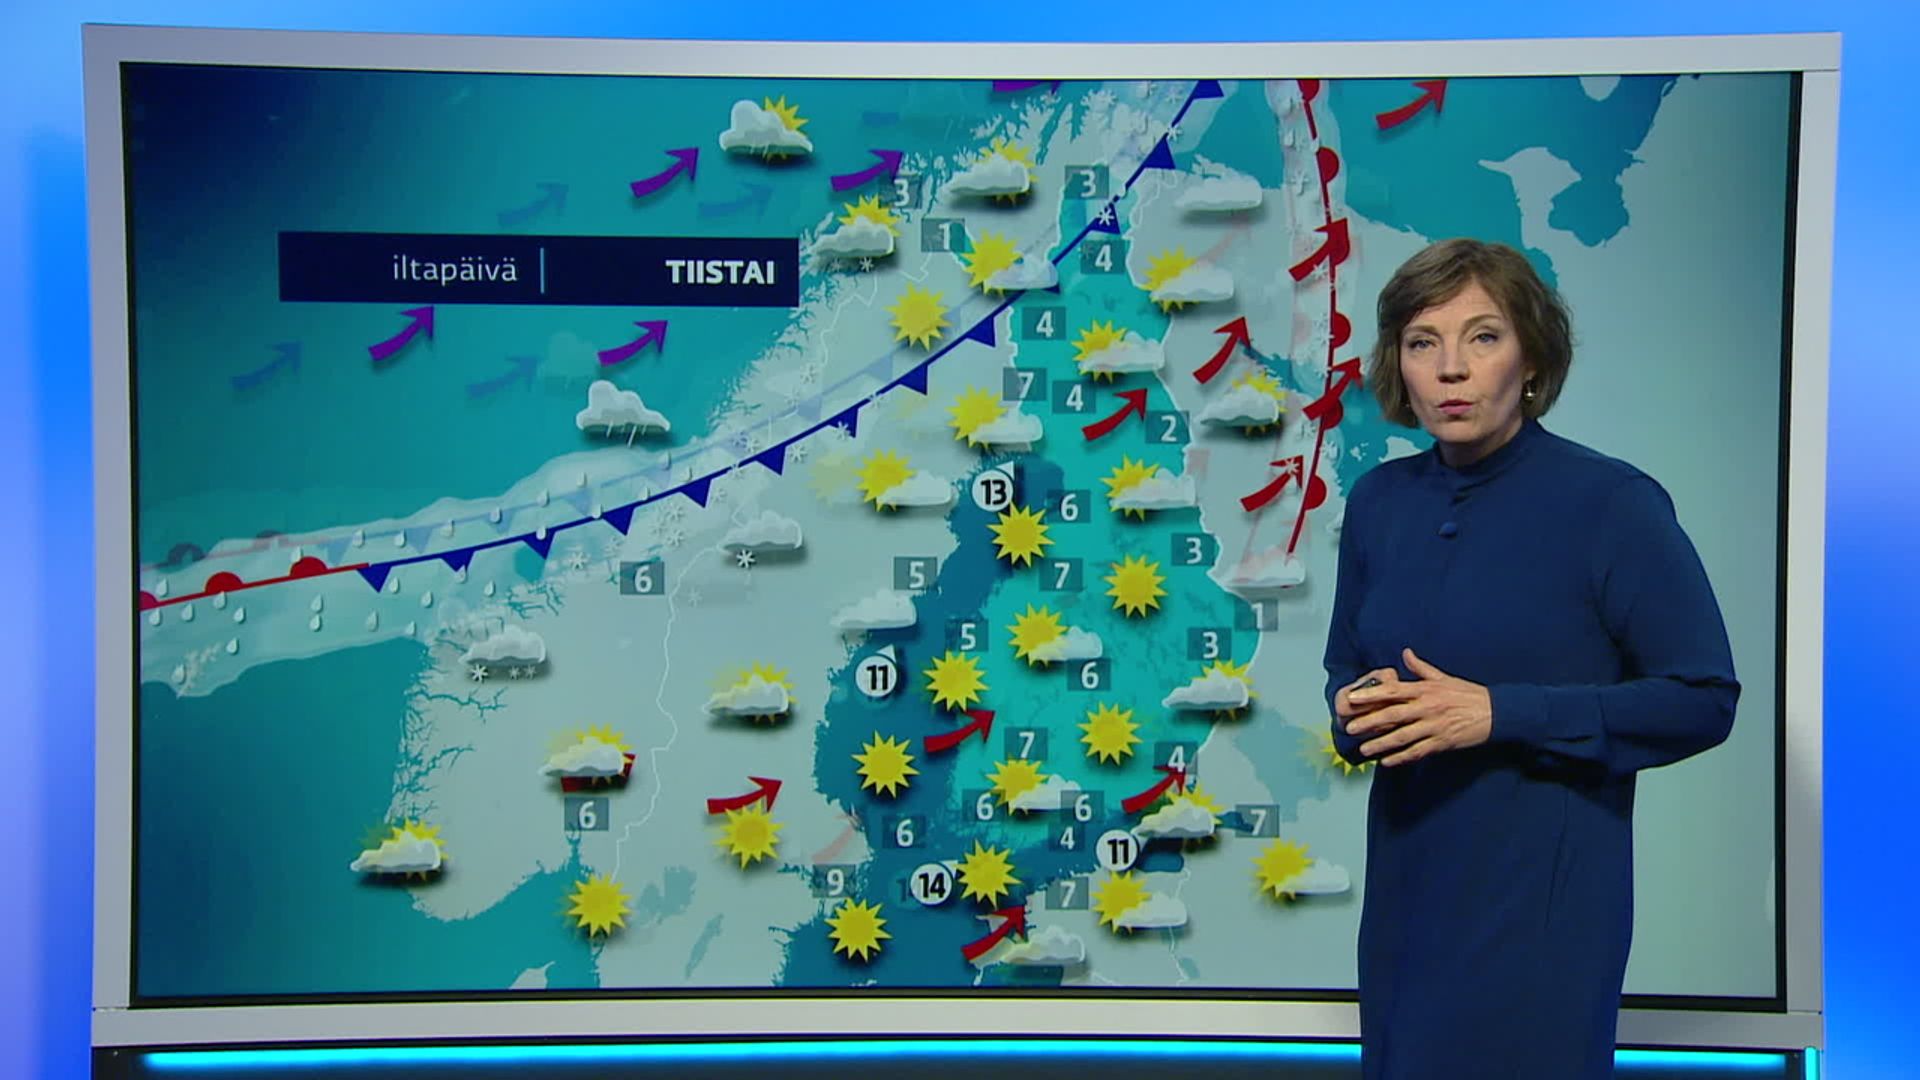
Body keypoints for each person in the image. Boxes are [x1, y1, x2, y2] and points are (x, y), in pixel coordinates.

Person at [1322, 238, 1740, 1080]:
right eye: (1422, 342)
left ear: (1533, 359)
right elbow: (1344, 670)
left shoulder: (1611, 503)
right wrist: (1352, 710)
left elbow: (1702, 697)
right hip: (1407, 903)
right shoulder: (1378, 504)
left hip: (1543, 914)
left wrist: (1498, 713)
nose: (1451, 368)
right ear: (1398, 364)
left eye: (1482, 337)